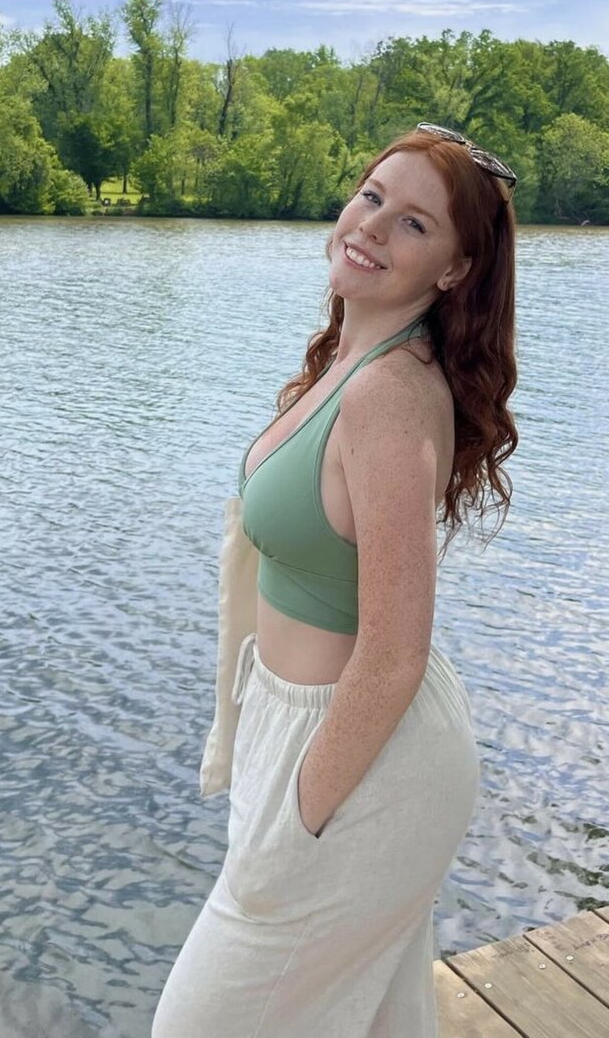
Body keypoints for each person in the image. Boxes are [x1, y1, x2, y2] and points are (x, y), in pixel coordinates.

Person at [151, 121, 519, 1038]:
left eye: (414, 224)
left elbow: (394, 654)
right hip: (313, 730)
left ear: (454, 270)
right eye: (372, 197)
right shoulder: (352, 360)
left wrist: (299, 812)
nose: (372, 227)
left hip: (360, 754)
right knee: (381, 1019)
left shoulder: (386, 396)